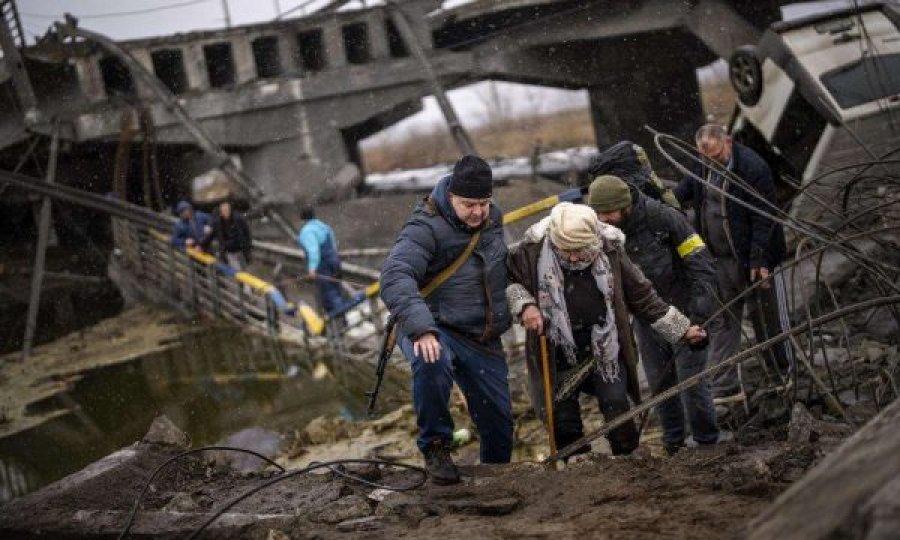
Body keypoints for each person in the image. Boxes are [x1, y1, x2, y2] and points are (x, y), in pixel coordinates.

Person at [506, 202, 707, 457]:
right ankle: (577, 470)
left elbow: (643, 296)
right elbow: (508, 280)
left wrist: (682, 329)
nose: (574, 258)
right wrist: (525, 305)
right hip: (554, 347)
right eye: (565, 251)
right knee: (561, 418)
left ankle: (629, 462)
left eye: (580, 250)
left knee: (616, 406)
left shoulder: (610, 250)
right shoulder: (530, 252)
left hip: (604, 346)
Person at [380, 155, 512, 484]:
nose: (478, 212)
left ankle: (494, 475)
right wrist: (422, 330)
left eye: (484, 202)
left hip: (480, 334)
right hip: (432, 325)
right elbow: (395, 276)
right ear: (451, 196)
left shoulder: (493, 220)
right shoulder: (424, 227)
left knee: (499, 422)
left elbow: (501, 269)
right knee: (432, 360)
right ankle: (436, 446)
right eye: (469, 204)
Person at [588, 175, 722, 454]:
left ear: (625, 205)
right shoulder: (605, 232)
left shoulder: (665, 220)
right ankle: (673, 444)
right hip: (648, 319)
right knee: (661, 386)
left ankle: (708, 444)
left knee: (692, 385)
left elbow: (701, 265)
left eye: (609, 212)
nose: (605, 219)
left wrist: (698, 316)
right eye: (599, 214)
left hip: (685, 312)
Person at [674, 124, 791, 398]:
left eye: (716, 155)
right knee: (723, 322)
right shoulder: (703, 164)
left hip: (754, 258)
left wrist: (759, 261)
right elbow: (684, 190)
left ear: (727, 142)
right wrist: (666, 202)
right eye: (706, 157)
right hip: (720, 260)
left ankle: (782, 375)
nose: (711, 162)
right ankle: (725, 387)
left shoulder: (753, 168)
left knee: (767, 321)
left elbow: (765, 217)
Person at [297, 206, 344, 315]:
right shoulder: (324, 226)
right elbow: (333, 245)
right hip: (334, 261)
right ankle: (343, 321)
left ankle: (336, 325)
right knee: (337, 291)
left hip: (323, 265)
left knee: (329, 294)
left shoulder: (307, 232)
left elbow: (313, 251)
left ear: (302, 219)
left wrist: (312, 269)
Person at [211, 200, 253, 271]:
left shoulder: (238, 219)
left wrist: (248, 245)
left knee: (245, 270)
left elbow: (246, 233)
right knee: (237, 271)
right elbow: (211, 235)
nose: (225, 212)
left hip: (241, 250)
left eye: (227, 210)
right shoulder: (218, 222)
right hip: (230, 252)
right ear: (221, 212)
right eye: (223, 210)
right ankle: (240, 281)